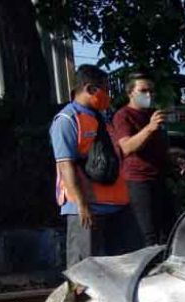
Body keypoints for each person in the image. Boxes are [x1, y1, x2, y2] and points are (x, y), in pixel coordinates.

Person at [51, 64, 138, 267]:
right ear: (90, 89)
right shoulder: (67, 120)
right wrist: (82, 205)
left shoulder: (102, 118)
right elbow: (66, 165)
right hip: (88, 207)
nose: (108, 95)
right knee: (84, 270)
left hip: (116, 206)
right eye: (105, 90)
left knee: (118, 268)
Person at [113, 72, 175, 245]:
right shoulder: (123, 116)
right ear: (130, 92)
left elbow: (158, 147)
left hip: (159, 178)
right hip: (138, 181)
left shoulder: (152, 114)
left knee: (168, 231)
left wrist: (173, 158)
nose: (148, 95)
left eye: (151, 91)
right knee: (147, 234)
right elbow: (126, 147)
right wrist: (150, 128)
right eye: (143, 90)